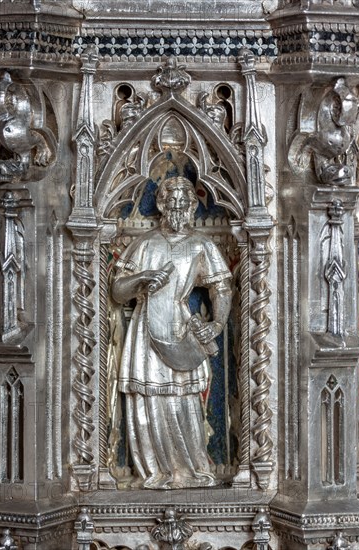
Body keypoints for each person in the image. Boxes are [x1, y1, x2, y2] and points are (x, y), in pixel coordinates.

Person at [112, 176, 232, 489]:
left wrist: (216, 324)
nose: (177, 206)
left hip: (181, 326)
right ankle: (158, 472)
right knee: (149, 398)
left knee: (185, 399)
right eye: (171, 200)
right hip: (146, 328)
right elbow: (118, 290)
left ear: (193, 206)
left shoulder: (201, 244)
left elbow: (221, 286)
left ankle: (192, 469)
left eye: (184, 201)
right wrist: (141, 280)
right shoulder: (146, 243)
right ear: (162, 204)